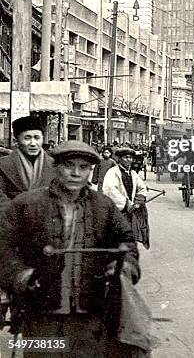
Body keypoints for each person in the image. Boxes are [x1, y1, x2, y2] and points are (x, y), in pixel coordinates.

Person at [0, 140, 149, 358]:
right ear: (55, 166)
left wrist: (121, 269)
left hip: (90, 315)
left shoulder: (103, 206)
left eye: (84, 167)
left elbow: (126, 243)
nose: (76, 173)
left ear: (91, 171)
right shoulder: (27, 204)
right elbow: (4, 247)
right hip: (42, 316)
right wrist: (22, 276)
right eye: (69, 165)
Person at [0, 115, 55, 217]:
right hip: (12, 222)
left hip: (47, 222)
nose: (33, 143)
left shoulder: (55, 166)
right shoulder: (3, 166)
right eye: (27, 138)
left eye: (37, 138)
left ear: (43, 139)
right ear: (17, 140)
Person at [103, 148, 149, 249]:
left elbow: (142, 188)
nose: (129, 160)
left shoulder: (133, 174)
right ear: (119, 159)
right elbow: (110, 190)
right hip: (117, 210)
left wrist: (138, 201)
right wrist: (126, 203)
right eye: (126, 157)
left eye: (130, 157)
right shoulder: (113, 172)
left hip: (130, 211)